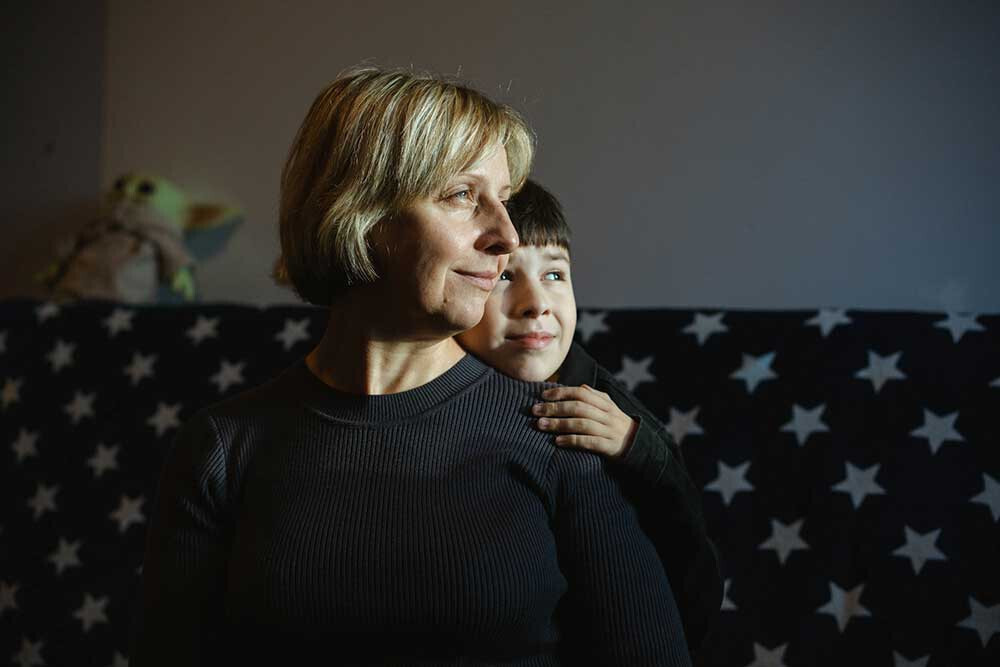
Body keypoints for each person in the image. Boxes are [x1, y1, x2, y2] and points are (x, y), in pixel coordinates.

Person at [130, 66, 692, 666]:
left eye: (503, 201)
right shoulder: (223, 449)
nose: (506, 236)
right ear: (360, 212)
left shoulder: (561, 435)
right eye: (462, 195)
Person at [454, 180, 723, 656]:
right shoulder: (435, 386)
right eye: (505, 276)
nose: (536, 303)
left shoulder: (603, 404)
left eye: (554, 274)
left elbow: (689, 552)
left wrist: (634, 446)